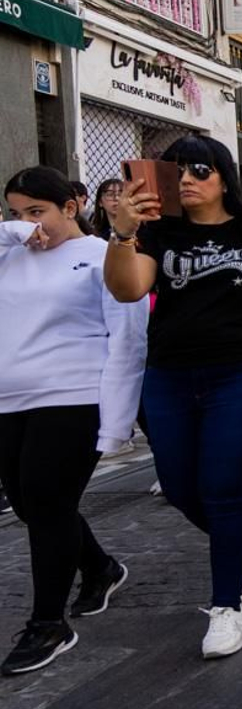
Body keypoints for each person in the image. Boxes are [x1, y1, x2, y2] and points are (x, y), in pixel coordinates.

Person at [103, 136, 242, 659]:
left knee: (224, 489)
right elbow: (127, 289)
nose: (186, 179)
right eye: (174, 171)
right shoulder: (157, 234)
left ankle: (226, 607)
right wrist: (123, 233)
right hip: (171, 374)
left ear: (224, 175)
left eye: (199, 169)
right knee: (179, 487)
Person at [0, 168, 147, 676]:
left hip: (74, 396)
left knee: (45, 502)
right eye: (16, 213)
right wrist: (16, 232)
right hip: (10, 399)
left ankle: (49, 623)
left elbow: (128, 342)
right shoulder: (11, 254)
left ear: (72, 205)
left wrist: (117, 425)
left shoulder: (104, 256)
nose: (27, 224)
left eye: (36, 211)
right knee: (28, 502)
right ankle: (101, 567)